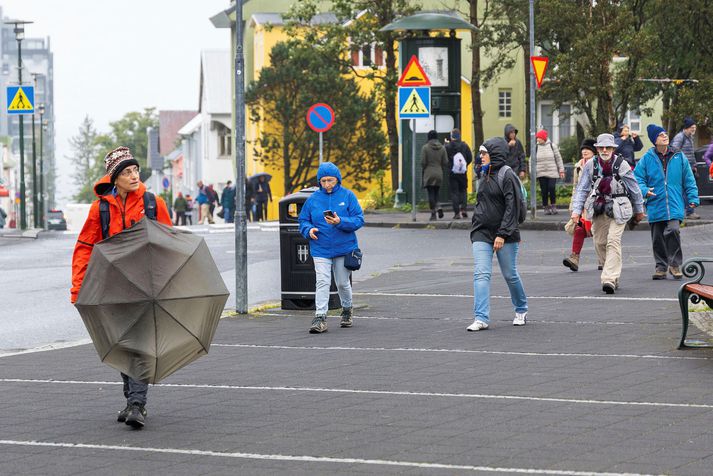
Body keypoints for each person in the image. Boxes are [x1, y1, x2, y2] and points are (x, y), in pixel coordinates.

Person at [70, 146, 172, 429]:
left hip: (145, 287)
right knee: (121, 344)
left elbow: (168, 244)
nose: (134, 175)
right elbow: (85, 248)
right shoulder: (100, 208)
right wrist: (78, 288)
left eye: (135, 170)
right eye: (126, 172)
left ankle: (137, 404)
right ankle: (131, 400)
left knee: (138, 343)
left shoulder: (153, 203)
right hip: (112, 287)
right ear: (114, 178)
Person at [570, 133, 645, 294]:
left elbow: (634, 188)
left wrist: (639, 209)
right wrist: (576, 211)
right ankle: (611, 273)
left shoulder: (621, 164)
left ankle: (609, 278)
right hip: (598, 207)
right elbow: (582, 189)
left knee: (613, 241)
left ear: (613, 148)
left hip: (619, 206)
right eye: (601, 147)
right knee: (599, 243)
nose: (604, 150)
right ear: (597, 149)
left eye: (608, 147)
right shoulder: (591, 164)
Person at [467, 137, 528, 331]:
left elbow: (512, 207)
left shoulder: (507, 175)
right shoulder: (483, 174)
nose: (481, 156)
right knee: (481, 273)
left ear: (494, 154)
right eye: (481, 153)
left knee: (510, 274)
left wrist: (502, 234)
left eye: (484, 153)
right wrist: (476, 223)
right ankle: (481, 318)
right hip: (481, 232)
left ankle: (521, 309)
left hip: (505, 233)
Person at [298, 162, 364, 334]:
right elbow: (303, 220)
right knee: (322, 282)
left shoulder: (348, 196)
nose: (327, 184)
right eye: (324, 181)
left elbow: (359, 219)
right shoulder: (313, 199)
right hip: (320, 248)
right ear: (319, 181)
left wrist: (340, 221)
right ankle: (320, 317)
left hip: (344, 247)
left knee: (342, 283)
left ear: (338, 180)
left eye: (331, 180)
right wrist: (308, 229)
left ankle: (347, 309)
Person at [635, 124, 699, 280]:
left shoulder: (679, 156)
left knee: (673, 230)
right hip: (655, 203)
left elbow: (689, 179)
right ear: (654, 140)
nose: (664, 136)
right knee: (657, 237)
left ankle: (675, 265)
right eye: (660, 135)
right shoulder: (646, 158)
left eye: (665, 133)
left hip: (675, 203)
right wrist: (644, 190)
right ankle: (661, 267)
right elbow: (637, 178)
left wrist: (692, 197)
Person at [563, 139, 599, 272]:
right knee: (579, 229)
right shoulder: (578, 166)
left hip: (598, 204)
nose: (584, 151)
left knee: (598, 231)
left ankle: (603, 259)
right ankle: (574, 258)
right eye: (583, 149)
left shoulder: (599, 164)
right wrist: (574, 207)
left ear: (594, 152)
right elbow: (576, 188)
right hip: (583, 205)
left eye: (588, 149)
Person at [671, 116, 700, 220]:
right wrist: (679, 166)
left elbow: (691, 153)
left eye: (695, 127)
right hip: (682, 168)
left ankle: (688, 211)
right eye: (692, 127)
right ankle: (687, 212)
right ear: (687, 127)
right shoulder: (680, 137)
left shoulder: (689, 138)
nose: (694, 129)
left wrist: (694, 165)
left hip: (689, 168)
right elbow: (674, 151)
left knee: (688, 190)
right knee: (685, 190)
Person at [534, 129, 565, 215]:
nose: (537, 139)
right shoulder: (536, 148)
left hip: (552, 172)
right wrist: (532, 172)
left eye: (539, 138)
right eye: (537, 138)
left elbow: (558, 158)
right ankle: (545, 207)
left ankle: (553, 205)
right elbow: (531, 161)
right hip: (541, 173)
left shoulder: (552, 146)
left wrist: (561, 170)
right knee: (544, 191)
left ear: (543, 138)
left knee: (551, 188)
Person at [445, 128, 473, 219]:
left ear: (452, 136)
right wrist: (464, 166)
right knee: (463, 190)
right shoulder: (464, 145)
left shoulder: (448, 146)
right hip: (462, 172)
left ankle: (457, 213)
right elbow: (470, 157)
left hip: (452, 172)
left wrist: (450, 166)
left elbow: (444, 158)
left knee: (454, 192)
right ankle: (464, 209)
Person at [421, 130, 448, 221]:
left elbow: (423, 162)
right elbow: (445, 162)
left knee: (431, 193)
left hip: (428, 172)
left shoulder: (425, 148)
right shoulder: (442, 148)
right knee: (436, 192)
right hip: (439, 172)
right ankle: (439, 206)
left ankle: (433, 213)